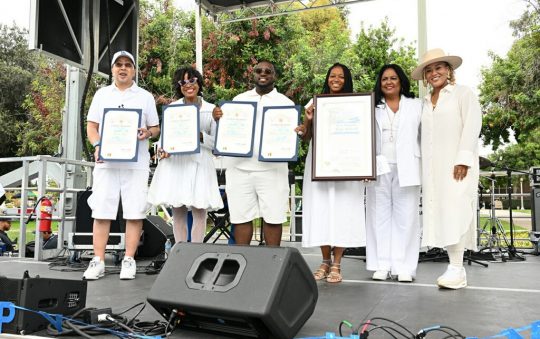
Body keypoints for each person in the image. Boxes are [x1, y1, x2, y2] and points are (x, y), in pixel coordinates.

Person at [83, 50, 160, 280]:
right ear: (113, 69)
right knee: (101, 211)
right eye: (119, 65)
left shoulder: (145, 97)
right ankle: (98, 260)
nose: (123, 68)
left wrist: (147, 132)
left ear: (134, 69)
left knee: (135, 212)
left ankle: (129, 259)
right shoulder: (101, 94)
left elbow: (155, 129)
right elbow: (91, 127)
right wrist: (97, 145)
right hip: (106, 161)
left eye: (128, 64)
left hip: (135, 163)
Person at [411, 48, 482, 289]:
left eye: (438, 68)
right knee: (441, 212)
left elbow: (473, 125)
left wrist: (462, 159)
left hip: (456, 166)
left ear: (448, 70)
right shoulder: (424, 102)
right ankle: (453, 267)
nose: (434, 73)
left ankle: (457, 268)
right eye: (429, 70)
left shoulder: (463, 94)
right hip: (433, 169)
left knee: (457, 210)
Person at [295, 63, 366, 283]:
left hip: (346, 165)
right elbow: (306, 137)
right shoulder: (315, 103)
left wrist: (364, 165)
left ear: (347, 80)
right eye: (332, 76)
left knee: (343, 211)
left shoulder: (356, 103)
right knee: (322, 210)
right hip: (320, 165)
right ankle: (324, 261)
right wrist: (306, 120)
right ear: (327, 78)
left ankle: (337, 263)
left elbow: (362, 135)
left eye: (341, 76)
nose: (336, 79)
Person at [212, 60, 294, 246]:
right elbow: (227, 132)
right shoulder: (238, 100)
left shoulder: (286, 103)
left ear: (275, 76)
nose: (263, 73)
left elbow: (291, 136)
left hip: (272, 169)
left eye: (268, 71)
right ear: (253, 74)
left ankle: (272, 264)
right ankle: (242, 263)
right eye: (258, 70)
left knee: (273, 217)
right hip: (239, 168)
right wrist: (218, 119)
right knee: (241, 217)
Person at [148, 66, 223, 243]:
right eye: (183, 82)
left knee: (200, 210)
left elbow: (218, 145)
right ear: (179, 86)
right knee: (178, 210)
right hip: (176, 163)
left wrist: (200, 136)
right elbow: (165, 139)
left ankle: (196, 252)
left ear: (199, 82)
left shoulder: (212, 109)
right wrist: (161, 149)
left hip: (200, 163)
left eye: (192, 81)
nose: (188, 85)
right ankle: (179, 250)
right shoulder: (172, 109)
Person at [365, 64, 422, 282]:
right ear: (380, 83)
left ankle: (404, 267)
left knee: (406, 217)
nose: (389, 82)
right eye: (384, 79)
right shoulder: (371, 106)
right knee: (378, 216)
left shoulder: (416, 106)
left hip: (408, 166)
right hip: (378, 168)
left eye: (393, 78)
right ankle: (382, 264)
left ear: (401, 82)